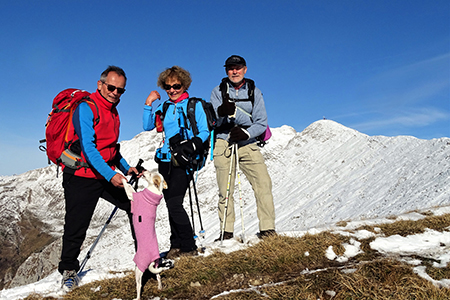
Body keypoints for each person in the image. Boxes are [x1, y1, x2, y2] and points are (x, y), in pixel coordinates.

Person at [58, 66, 141, 291]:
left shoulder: (113, 111)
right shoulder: (86, 108)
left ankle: (144, 259)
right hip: (81, 176)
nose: (115, 93)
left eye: (120, 90)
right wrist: (111, 175)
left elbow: (111, 149)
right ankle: (68, 272)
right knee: (77, 225)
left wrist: (126, 167)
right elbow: (89, 148)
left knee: (136, 207)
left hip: (103, 173)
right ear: (100, 84)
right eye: (111, 87)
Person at [143, 66, 209, 258]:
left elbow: (204, 132)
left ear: (184, 84)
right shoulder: (165, 107)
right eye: (167, 86)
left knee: (174, 203)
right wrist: (149, 103)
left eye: (176, 86)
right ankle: (176, 245)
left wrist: (189, 146)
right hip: (165, 161)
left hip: (183, 161)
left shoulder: (194, 105)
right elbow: (148, 126)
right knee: (170, 202)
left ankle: (189, 247)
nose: (172, 90)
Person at [210, 55, 276, 241]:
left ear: (245, 69)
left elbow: (261, 123)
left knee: (263, 184)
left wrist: (246, 132)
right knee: (225, 189)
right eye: (231, 68)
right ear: (226, 71)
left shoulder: (255, 92)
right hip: (224, 141)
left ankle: (268, 229)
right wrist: (222, 115)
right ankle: (226, 232)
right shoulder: (218, 91)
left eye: (238, 67)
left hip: (248, 142)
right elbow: (214, 120)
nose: (235, 71)